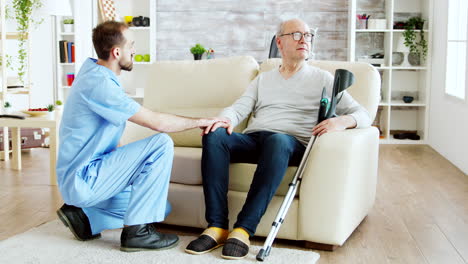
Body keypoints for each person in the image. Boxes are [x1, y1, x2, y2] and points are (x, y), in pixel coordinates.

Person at [185, 18, 372, 260]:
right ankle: (217, 227)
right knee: (215, 134)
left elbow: (363, 114)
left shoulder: (324, 79)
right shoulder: (264, 79)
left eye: (308, 35)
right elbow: (239, 108)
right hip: (256, 139)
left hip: (289, 144)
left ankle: (242, 230)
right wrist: (223, 120)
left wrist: (342, 121)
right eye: (296, 34)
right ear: (280, 42)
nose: (304, 39)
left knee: (278, 141)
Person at [56, 21, 227, 252]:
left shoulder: (94, 72)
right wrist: (200, 122)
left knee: (160, 208)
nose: (134, 50)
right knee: (161, 143)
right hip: (84, 177)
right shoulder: (100, 84)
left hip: (88, 175)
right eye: (132, 45)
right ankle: (136, 235)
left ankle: (85, 216)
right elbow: (157, 123)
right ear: (117, 52)